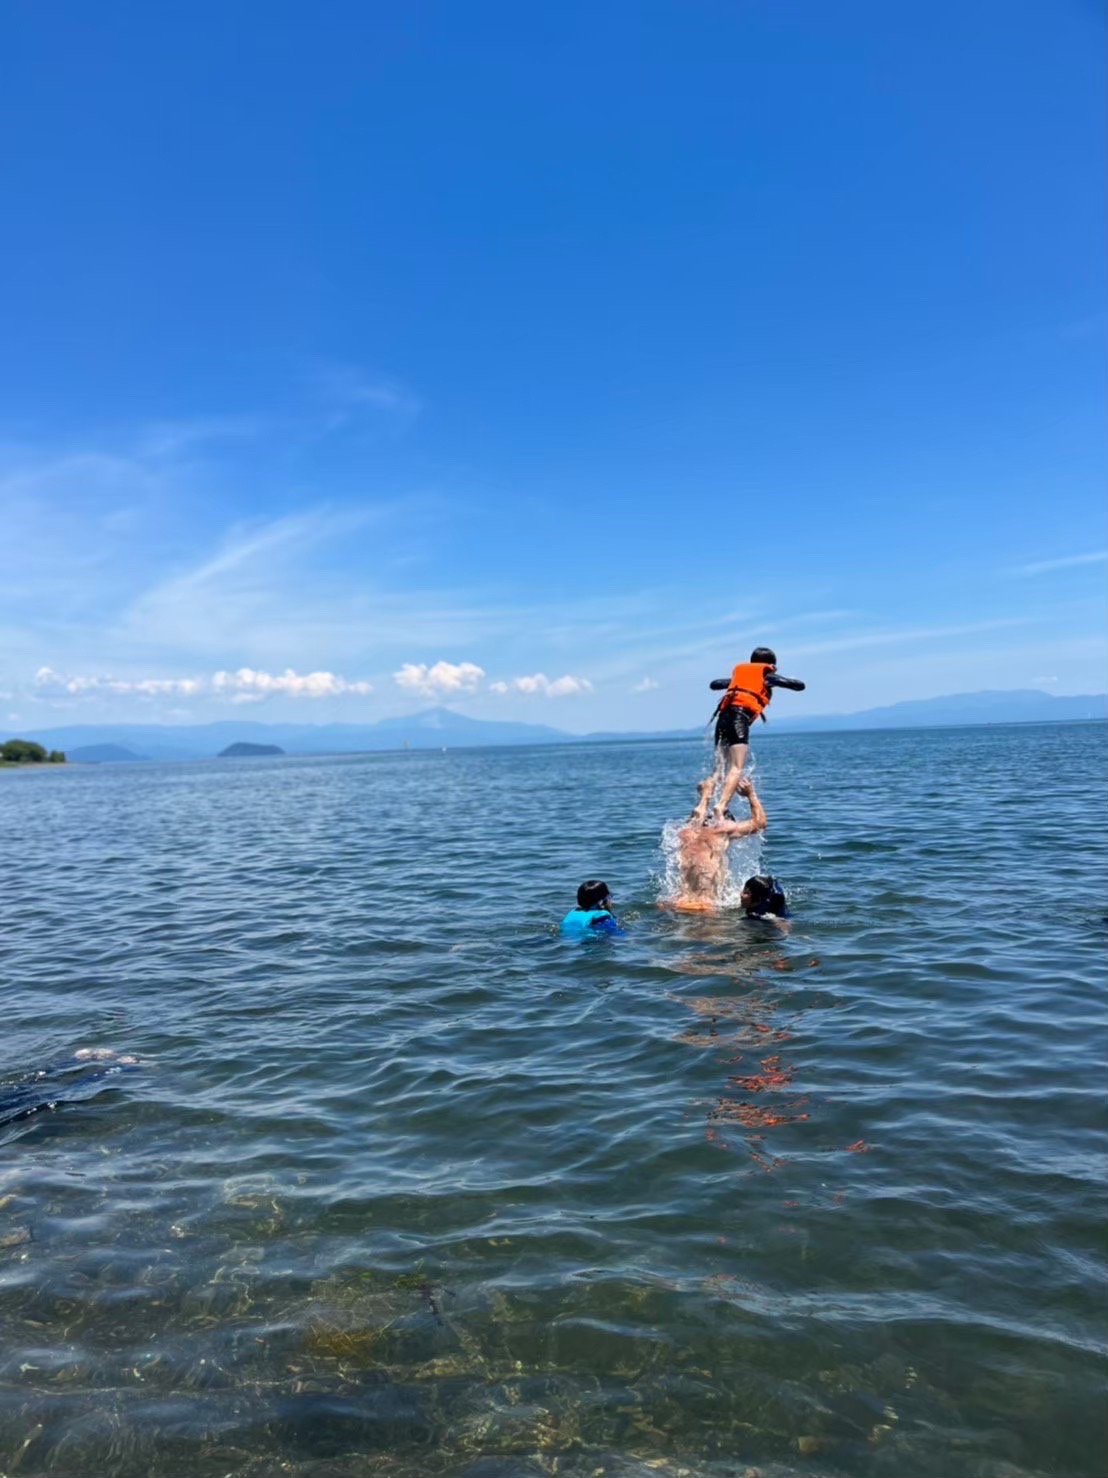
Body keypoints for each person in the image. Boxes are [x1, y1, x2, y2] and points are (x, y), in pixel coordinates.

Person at [707, 646, 805, 821]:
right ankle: (720, 806)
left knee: (719, 769)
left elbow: (714, 684)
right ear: (770, 665)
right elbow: (799, 686)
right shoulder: (766, 676)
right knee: (737, 768)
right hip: (739, 718)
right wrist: (774, 678)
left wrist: (732, 681)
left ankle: (702, 806)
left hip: (722, 718)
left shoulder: (737, 679)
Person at [670, 776, 767, 912]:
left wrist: (704, 797)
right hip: (704, 908)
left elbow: (697, 818)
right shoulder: (721, 831)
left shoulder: (686, 833)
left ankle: (705, 796)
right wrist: (751, 794)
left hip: (676, 903)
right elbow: (760, 823)